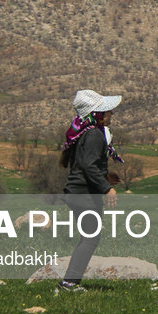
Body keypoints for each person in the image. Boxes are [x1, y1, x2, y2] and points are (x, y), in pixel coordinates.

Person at [58, 89, 123, 291]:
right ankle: (69, 283)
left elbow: (85, 165)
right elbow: (88, 166)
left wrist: (106, 177)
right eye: (107, 111)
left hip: (78, 194)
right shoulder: (94, 134)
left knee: (89, 237)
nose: (111, 114)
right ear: (97, 114)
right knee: (91, 237)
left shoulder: (84, 134)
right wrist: (107, 189)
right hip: (84, 195)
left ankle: (70, 282)